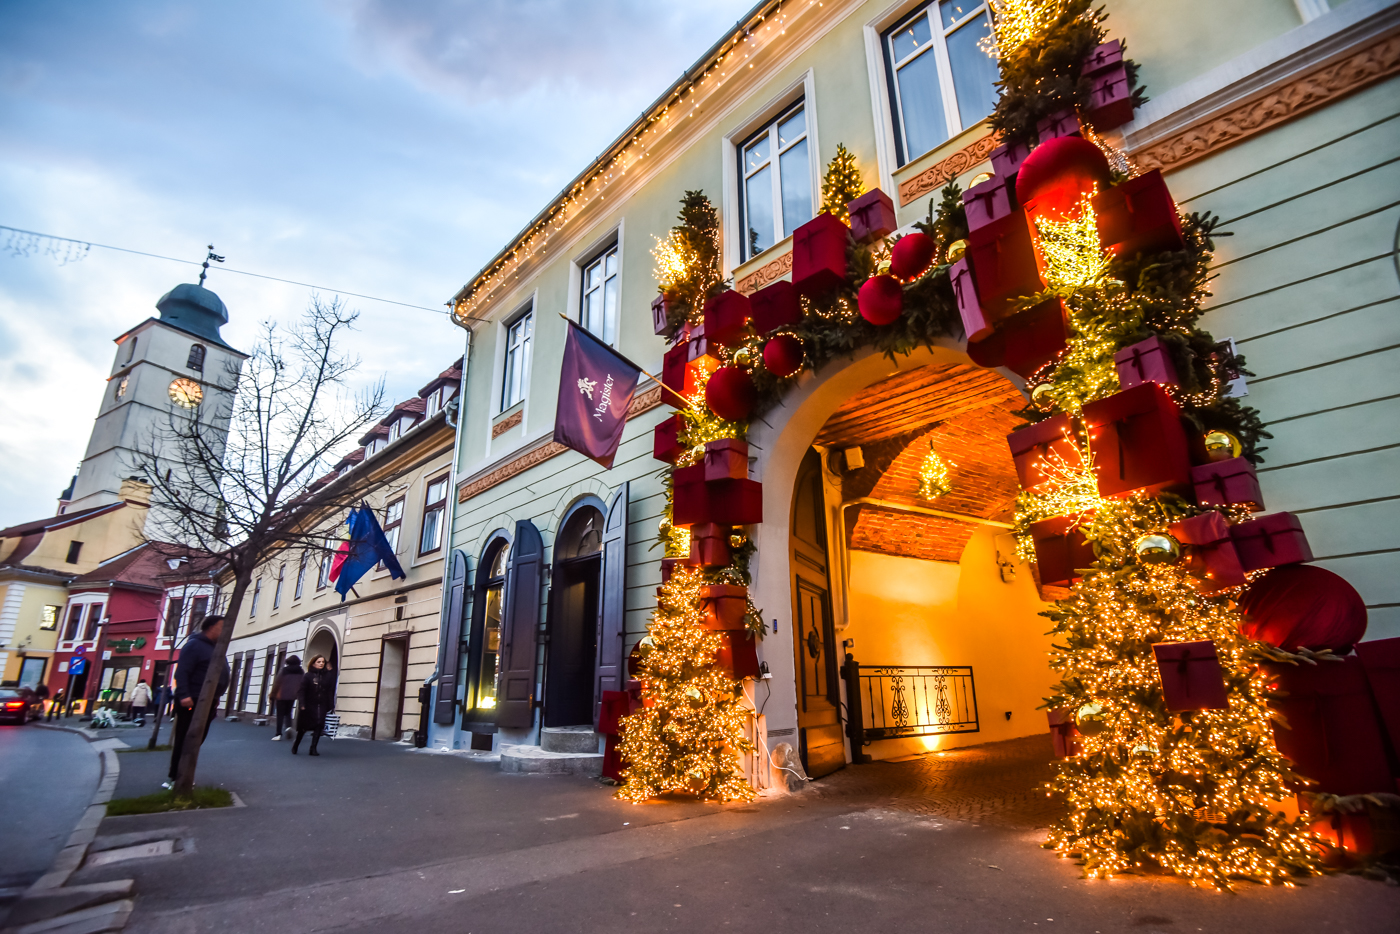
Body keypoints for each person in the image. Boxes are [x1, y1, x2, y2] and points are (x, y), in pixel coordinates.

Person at [166, 615, 230, 789]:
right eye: (221, 627)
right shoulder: (195, 645)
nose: (225, 631)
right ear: (210, 627)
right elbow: (182, 672)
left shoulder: (215, 648)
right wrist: (184, 695)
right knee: (186, 738)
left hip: (208, 700)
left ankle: (185, 775)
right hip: (192, 699)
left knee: (197, 739)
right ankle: (176, 777)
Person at [292, 655, 335, 756]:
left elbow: (330, 691)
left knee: (319, 726)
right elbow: (301, 691)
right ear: (313, 663)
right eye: (319, 662)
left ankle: (313, 748)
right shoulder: (308, 676)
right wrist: (302, 704)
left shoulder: (327, 676)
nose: (321, 664)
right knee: (303, 728)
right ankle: (296, 744)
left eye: (323, 662)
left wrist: (331, 705)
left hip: (322, 705)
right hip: (308, 705)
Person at [267, 655, 303, 741]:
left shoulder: (284, 670)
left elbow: (277, 683)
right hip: (292, 696)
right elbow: (302, 683)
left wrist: (272, 695)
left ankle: (278, 734)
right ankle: (288, 726)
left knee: (280, 715)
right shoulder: (301, 671)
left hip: (281, 695)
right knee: (288, 713)